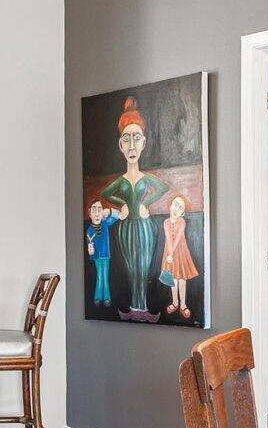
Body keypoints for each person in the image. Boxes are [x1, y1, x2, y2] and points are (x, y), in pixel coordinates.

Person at [96, 97, 170, 318]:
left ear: (143, 143)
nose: (131, 145)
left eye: (136, 138)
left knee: (144, 266)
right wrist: (122, 206)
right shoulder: (121, 180)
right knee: (131, 268)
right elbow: (105, 193)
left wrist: (146, 203)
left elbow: (163, 188)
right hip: (126, 228)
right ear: (120, 145)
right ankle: (134, 308)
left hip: (145, 228)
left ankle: (143, 307)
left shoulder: (146, 178)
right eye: (126, 139)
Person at [159, 193, 201, 320]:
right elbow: (168, 238)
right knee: (172, 279)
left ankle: (183, 304)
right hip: (169, 253)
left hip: (181, 253)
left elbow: (177, 239)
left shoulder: (182, 221)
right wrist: (170, 255)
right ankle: (175, 302)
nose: (177, 209)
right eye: (175, 205)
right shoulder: (165, 222)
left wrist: (172, 254)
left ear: (183, 212)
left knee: (182, 279)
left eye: (181, 208)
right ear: (170, 205)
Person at [86, 200, 119, 306]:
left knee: (105, 275)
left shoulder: (105, 223)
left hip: (105, 254)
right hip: (96, 256)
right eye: (94, 210)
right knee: (100, 275)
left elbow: (116, 216)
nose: (96, 213)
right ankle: (98, 297)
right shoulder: (89, 230)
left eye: (99, 210)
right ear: (90, 213)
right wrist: (90, 249)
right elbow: (89, 243)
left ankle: (106, 297)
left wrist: (109, 211)